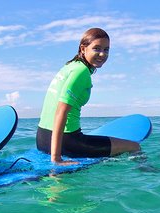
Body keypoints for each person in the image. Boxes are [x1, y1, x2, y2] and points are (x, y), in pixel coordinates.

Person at [36, 28, 140, 164]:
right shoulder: (81, 72)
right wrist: (56, 159)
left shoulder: (70, 66)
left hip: (42, 139)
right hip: (66, 142)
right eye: (96, 48)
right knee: (134, 146)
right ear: (83, 49)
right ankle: (148, 173)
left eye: (106, 49)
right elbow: (61, 111)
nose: (102, 54)